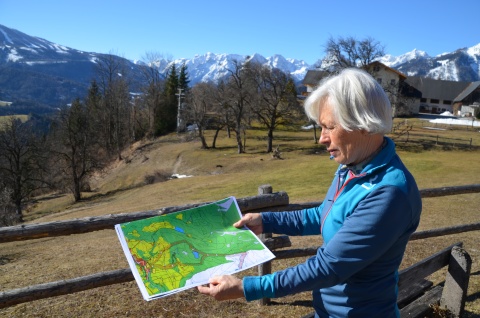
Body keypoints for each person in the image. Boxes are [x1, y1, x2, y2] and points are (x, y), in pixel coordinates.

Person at [198, 68, 422, 317]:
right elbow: (324, 215)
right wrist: (265, 221)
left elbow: (328, 267)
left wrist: (246, 287)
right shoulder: (353, 166)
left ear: (363, 124)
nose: (321, 139)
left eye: (329, 127)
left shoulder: (388, 193)